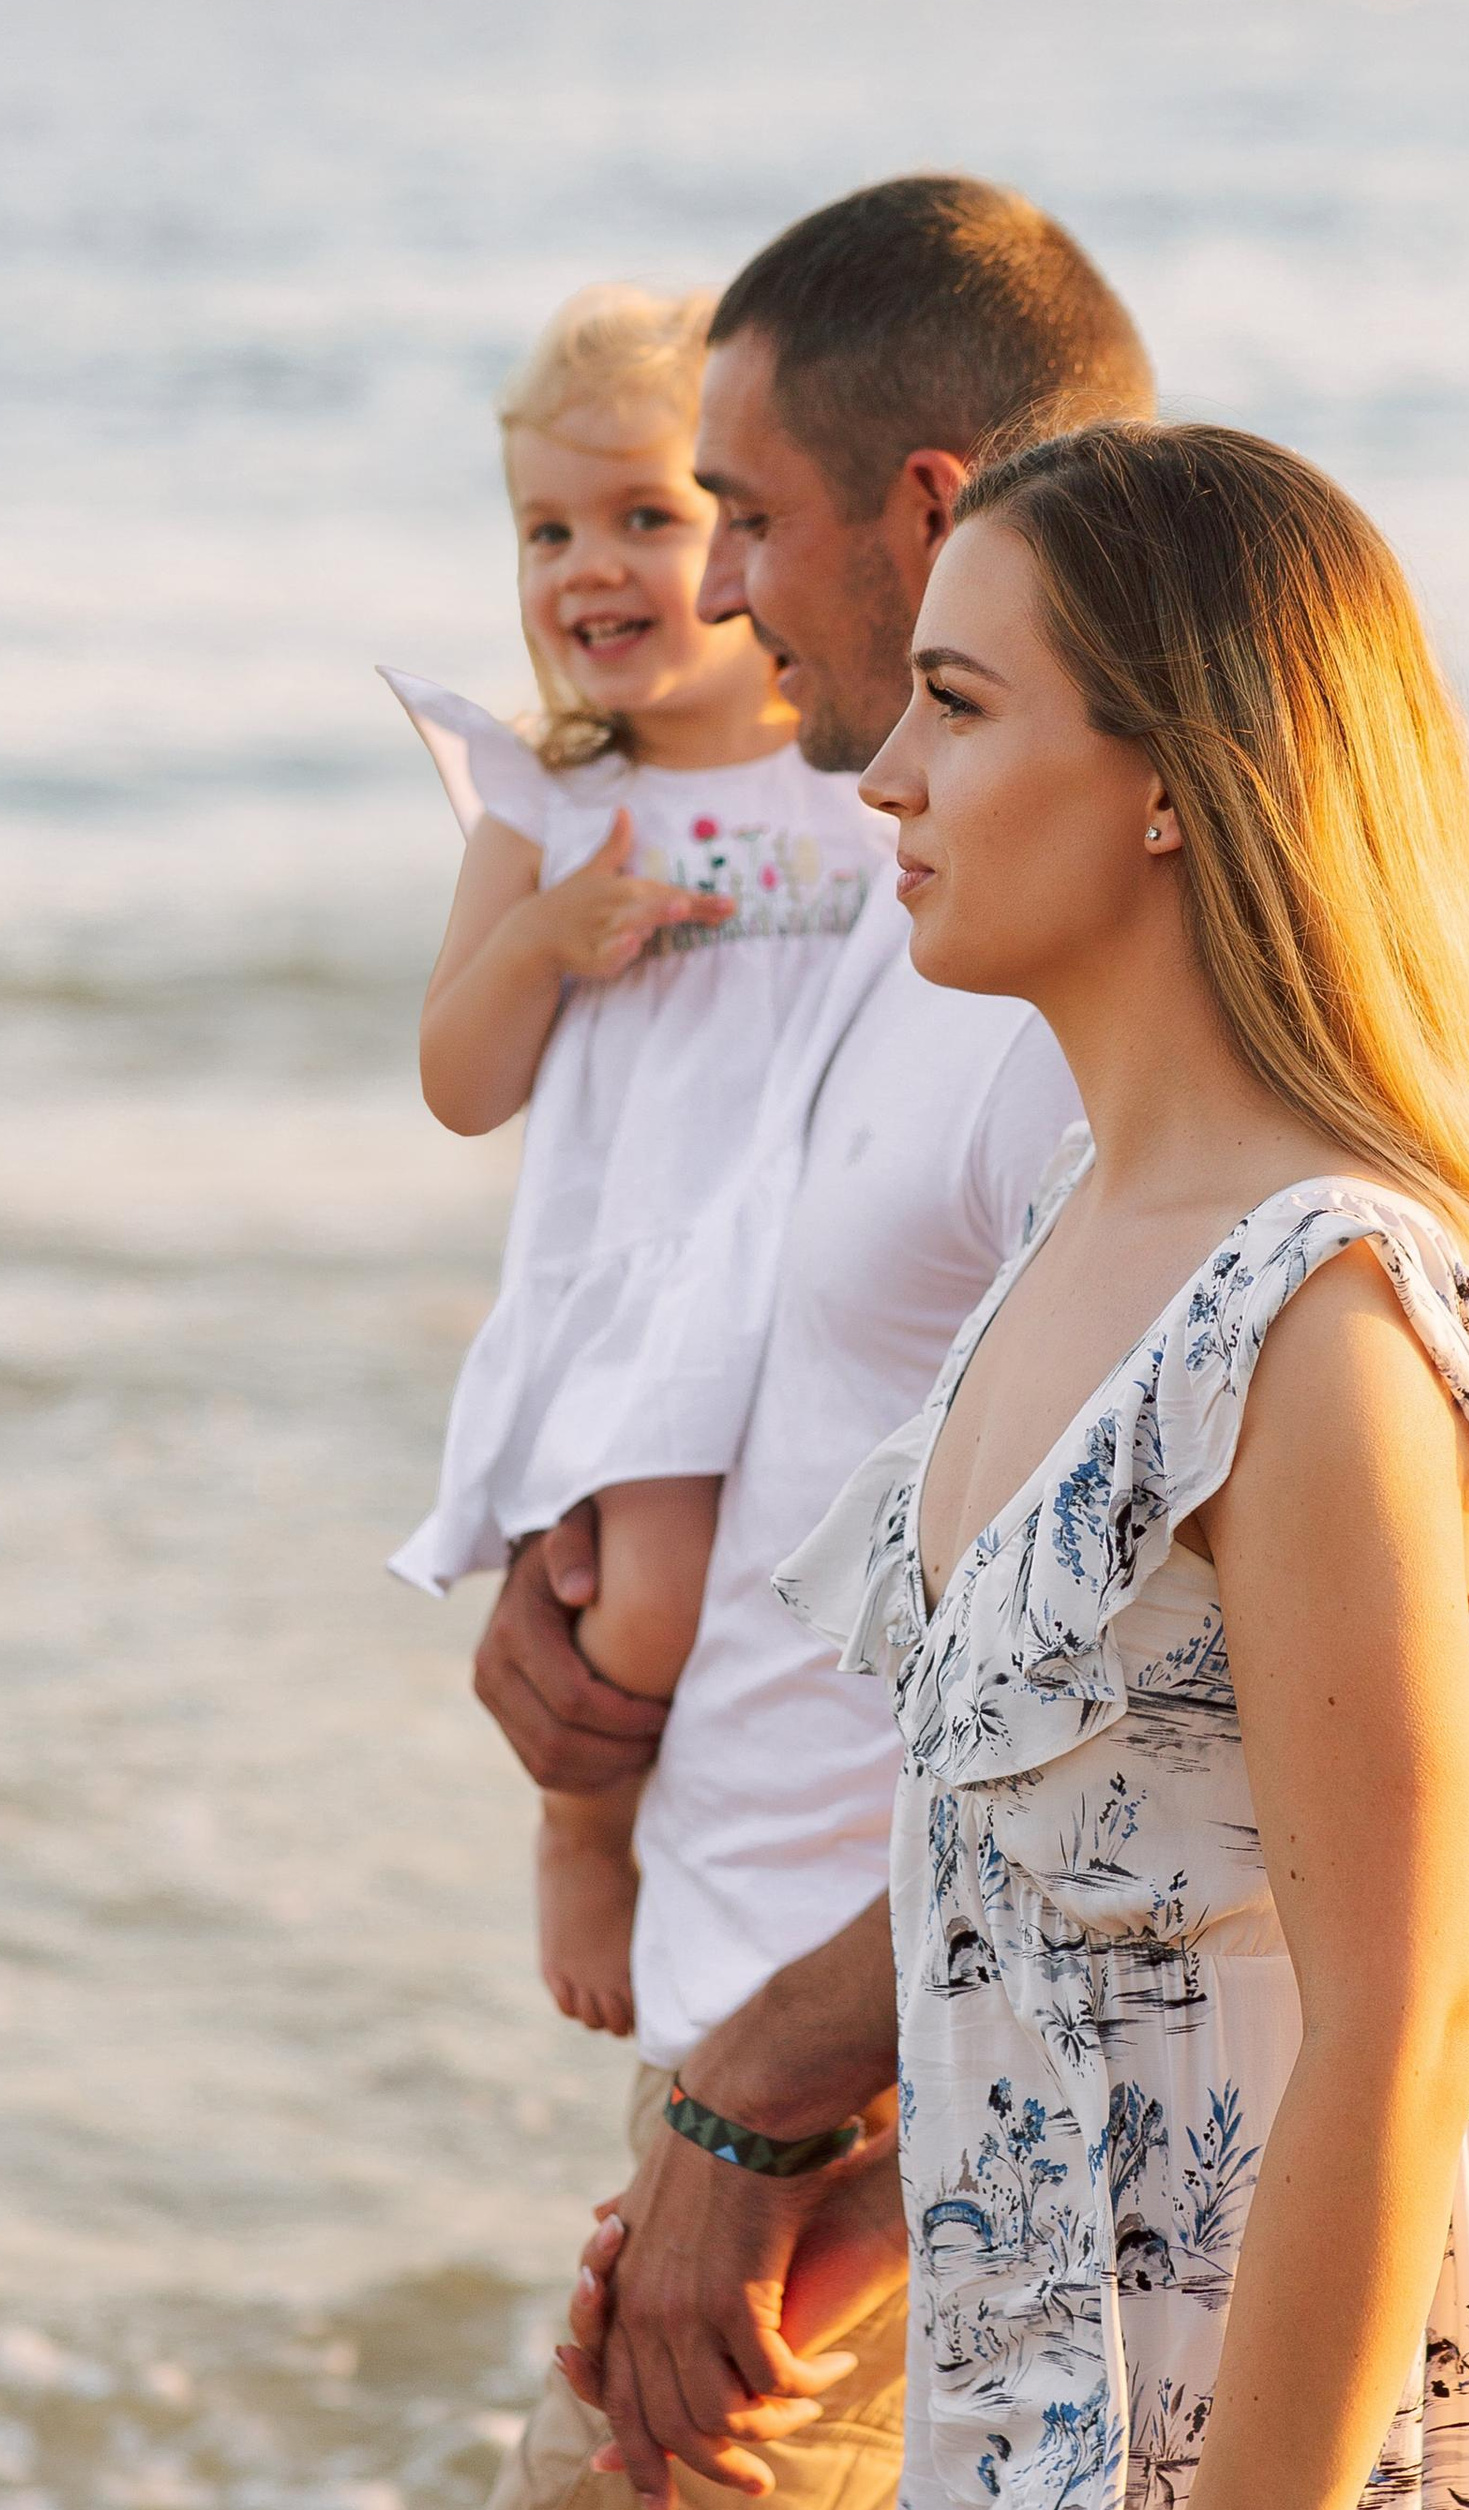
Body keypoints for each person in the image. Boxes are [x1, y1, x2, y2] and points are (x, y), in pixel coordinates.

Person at [776, 422, 1469, 2510]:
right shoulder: (1070, 1233)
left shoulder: (1314, 1315)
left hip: (1236, 2492)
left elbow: (1395, 2024)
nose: (882, 773)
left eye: (956, 708)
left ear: (1171, 779)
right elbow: (1055, 1951)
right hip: (1012, 2461)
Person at [459, 179, 1153, 2510]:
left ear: (930, 511)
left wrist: (777, 2108)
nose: (720, 583)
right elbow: (794, 1372)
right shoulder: (903, 896)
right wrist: (587, 1624)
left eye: (741, 512)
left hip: (869, 2134)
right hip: (780, 2063)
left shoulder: (1084, 1007)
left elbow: (1182, 1701)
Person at [387, 284, 896, 2037]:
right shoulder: (550, 803)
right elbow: (460, 1082)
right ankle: (581, 1828)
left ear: (751, 537)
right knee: (656, 1607)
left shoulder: (852, 777)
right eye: (546, 527)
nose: (584, 565)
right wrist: (546, 942)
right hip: (650, 1293)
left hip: (821, 1273)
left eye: (649, 519)